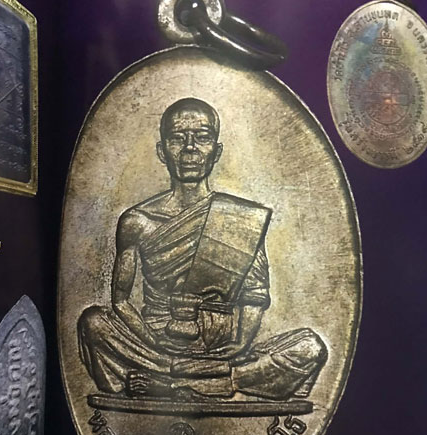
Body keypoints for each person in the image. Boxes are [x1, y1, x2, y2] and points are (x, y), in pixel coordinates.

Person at [78, 97, 327, 402]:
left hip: (222, 348)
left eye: (202, 138)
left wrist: (240, 345)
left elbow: (254, 296)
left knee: (309, 347)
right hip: (157, 344)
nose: (190, 149)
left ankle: (181, 383)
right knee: (93, 323)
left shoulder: (241, 218)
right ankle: (209, 378)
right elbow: (120, 300)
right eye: (177, 138)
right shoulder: (137, 221)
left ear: (216, 151)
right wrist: (154, 342)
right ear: (162, 150)